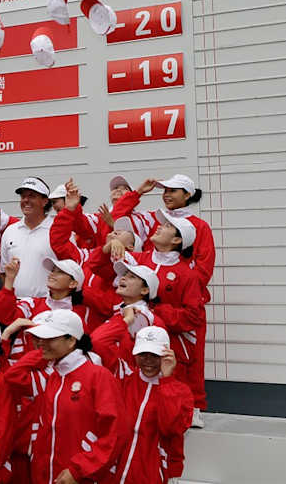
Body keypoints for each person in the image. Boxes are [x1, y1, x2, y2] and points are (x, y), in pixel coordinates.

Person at [112, 174, 214, 424]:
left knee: (187, 360)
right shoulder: (153, 225)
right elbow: (119, 215)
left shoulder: (198, 227)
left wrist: (174, 285)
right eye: (164, 189)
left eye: (173, 190)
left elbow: (203, 268)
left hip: (182, 304)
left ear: (188, 194)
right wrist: (138, 191)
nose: (167, 194)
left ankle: (192, 407)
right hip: (154, 309)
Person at [1, 309, 128, 484]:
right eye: (39, 338)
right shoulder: (54, 377)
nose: (41, 344)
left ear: (71, 340)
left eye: (49, 338)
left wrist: (79, 470)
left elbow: (115, 433)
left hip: (82, 477)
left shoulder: (98, 376)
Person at [92, 322, 193, 484]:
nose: (148, 361)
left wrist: (166, 381)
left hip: (153, 475)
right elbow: (97, 341)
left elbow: (170, 428)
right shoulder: (123, 381)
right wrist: (124, 318)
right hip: (113, 473)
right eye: (143, 354)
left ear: (167, 355)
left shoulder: (180, 391)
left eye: (155, 355)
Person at [0, 177, 58, 298]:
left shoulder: (58, 230)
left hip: (46, 305)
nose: (26, 200)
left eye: (32, 196)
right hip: (16, 305)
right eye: (23, 196)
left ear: (45, 201)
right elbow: (4, 274)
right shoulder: (10, 231)